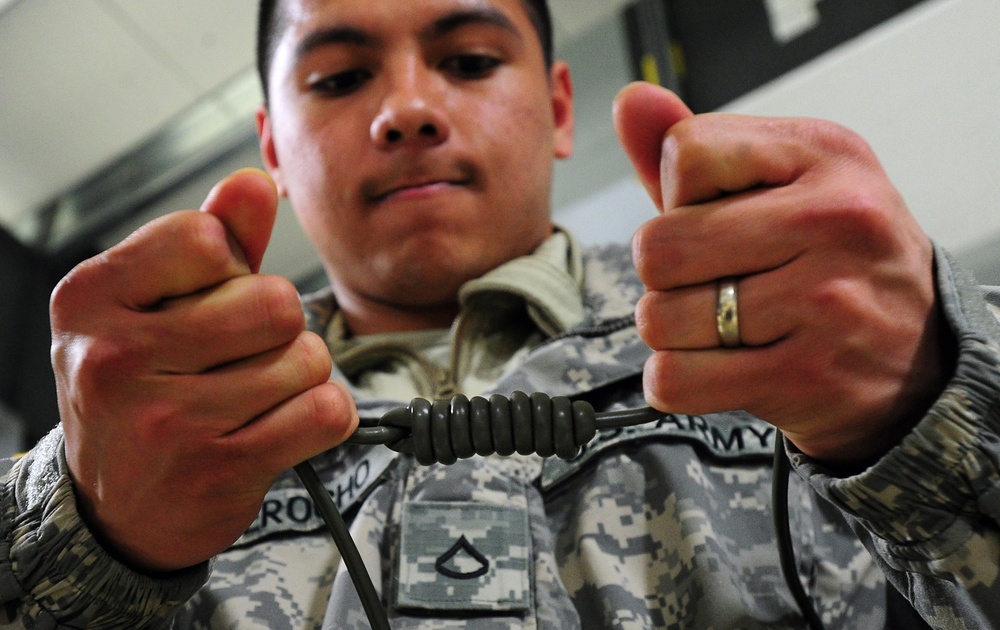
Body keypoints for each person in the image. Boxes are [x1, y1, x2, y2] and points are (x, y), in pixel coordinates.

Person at [2, 0, 999, 627]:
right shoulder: (147, 438)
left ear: (560, 107)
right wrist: (77, 536)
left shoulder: (827, 341)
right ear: (271, 142)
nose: (406, 110)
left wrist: (932, 418)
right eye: (340, 79)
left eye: (470, 60)